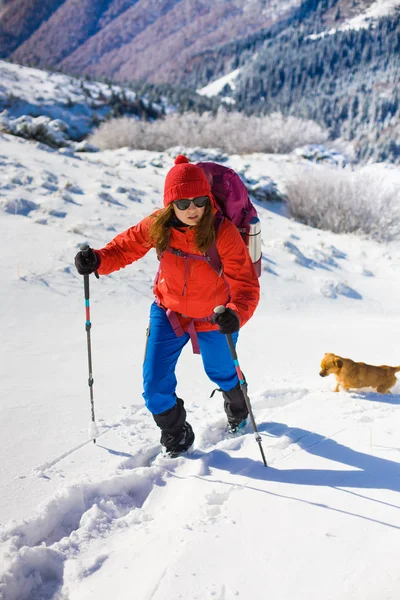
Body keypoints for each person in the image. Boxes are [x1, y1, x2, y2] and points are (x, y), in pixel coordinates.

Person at [75, 155, 260, 456]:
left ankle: (239, 409)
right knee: (154, 387)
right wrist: (97, 259)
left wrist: (236, 315)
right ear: (170, 203)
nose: (193, 210)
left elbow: (246, 283)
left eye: (200, 201)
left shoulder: (221, 232)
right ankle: (177, 435)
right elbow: (124, 248)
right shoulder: (158, 225)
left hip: (215, 318)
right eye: (184, 203)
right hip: (169, 312)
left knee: (223, 372)